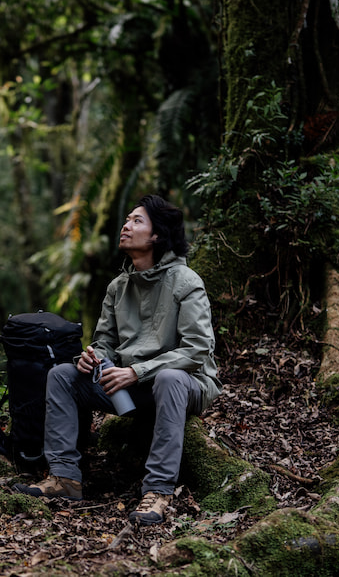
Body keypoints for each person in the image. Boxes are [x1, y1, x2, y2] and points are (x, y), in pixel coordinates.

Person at [14, 195, 221, 526]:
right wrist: (94, 357)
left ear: (157, 235)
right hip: (131, 386)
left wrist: (136, 372)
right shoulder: (118, 286)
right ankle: (64, 477)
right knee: (63, 375)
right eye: (127, 219)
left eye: (137, 221)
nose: (126, 226)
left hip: (184, 383)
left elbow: (196, 349)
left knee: (168, 379)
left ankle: (158, 491)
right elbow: (106, 341)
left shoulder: (186, 281)